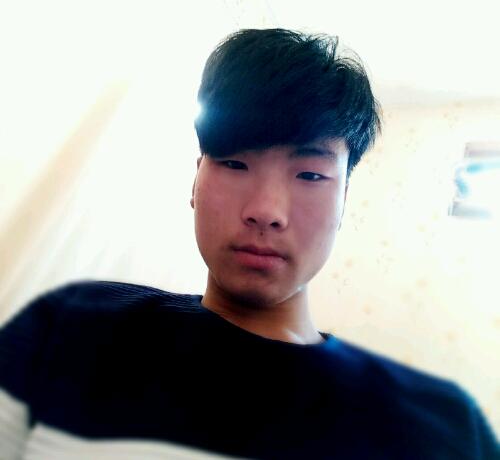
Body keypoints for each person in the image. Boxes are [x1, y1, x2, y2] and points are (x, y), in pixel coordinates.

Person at [0, 28, 498, 459]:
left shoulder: (442, 427)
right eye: (235, 163)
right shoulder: (68, 327)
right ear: (196, 180)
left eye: (310, 174)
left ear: (344, 199)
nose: (266, 210)